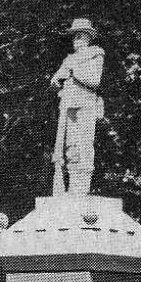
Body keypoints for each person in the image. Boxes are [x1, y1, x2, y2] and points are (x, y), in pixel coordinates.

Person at [50, 17, 105, 195]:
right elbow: (57, 77)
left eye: (80, 36)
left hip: (85, 104)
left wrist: (74, 72)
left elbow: (94, 81)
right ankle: (72, 186)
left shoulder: (96, 53)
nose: (77, 41)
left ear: (88, 38)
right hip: (68, 105)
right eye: (74, 37)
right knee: (70, 146)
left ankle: (81, 187)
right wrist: (56, 80)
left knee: (83, 145)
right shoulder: (69, 59)